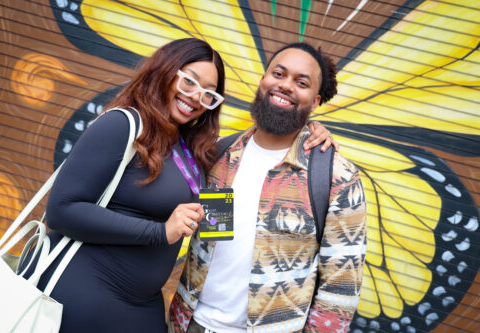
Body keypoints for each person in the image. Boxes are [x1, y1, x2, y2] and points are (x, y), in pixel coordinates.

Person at [28, 38, 334, 332]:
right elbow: (61, 211)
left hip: (144, 307)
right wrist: (160, 232)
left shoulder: (206, 154)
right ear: (165, 72)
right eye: (189, 81)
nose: (195, 97)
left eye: (208, 93)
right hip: (86, 295)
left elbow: (218, 235)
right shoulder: (123, 125)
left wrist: (306, 129)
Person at [169, 42, 367, 333]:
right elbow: (215, 236)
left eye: (301, 82)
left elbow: (340, 291)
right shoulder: (220, 155)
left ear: (315, 102)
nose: (285, 85)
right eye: (278, 73)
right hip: (190, 323)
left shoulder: (336, 177)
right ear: (263, 80)